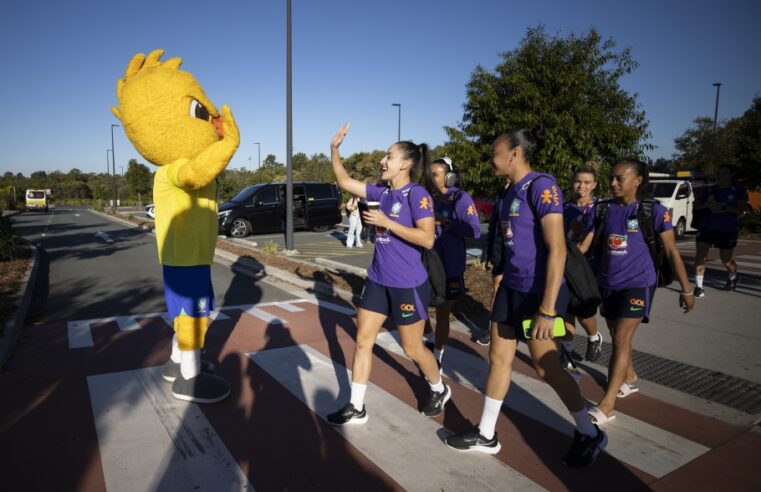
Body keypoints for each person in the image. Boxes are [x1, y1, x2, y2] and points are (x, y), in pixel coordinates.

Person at [445, 126, 608, 468]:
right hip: (512, 289)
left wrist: (549, 311)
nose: (491, 159)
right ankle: (486, 433)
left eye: (495, 153)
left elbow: (558, 250)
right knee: (499, 358)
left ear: (515, 154)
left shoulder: (542, 187)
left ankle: (589, 432)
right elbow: (510, 239)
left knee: (546, 366)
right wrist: (501, 271)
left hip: (541, 295)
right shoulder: (508, 192)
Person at [326, 122, 451, 425]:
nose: (383, 161)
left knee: (412, 348)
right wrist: (334, 149)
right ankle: (357, 406)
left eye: (389, 156)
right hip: (378, 282)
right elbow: (343, 181)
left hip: (408, 285)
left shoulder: (417, 194)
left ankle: (438, 387)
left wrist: (388, 222)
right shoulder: (380, 192)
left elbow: (428, 239)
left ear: (405, 164)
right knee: (362, 341)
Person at [586, 159, 695, 425]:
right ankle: (630, 377)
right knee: (614, 333)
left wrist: (687, 289)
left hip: (639, 283)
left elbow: (670, 251)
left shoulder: (653, 212)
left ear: (638, 181)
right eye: (612, 178)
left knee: (622, 338)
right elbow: (586, 244)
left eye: (619, 178)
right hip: (608, 283)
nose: (613, 183)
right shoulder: (601, 210)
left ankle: (608, 404)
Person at [423, 157, 481, 366]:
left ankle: (438, 354)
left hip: (451, 267)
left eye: (435, 174)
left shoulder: (461, 198)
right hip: (428, 263)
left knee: (442, 312)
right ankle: (429, 337)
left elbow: (474, 230)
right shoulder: (427, 197)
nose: (431, 178)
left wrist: (445, 222)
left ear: (449, 177)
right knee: (417, 303)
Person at [560, 165, 604, 370]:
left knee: (584, 313)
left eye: (587, 182)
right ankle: (566, 350)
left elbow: (586, 244)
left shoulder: (597, 209)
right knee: (566, 310)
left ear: (594, 185)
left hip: (583, 267)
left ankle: (594, 337)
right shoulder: (565, 207)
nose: (582, 186)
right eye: (578, 181)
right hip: (563, 264)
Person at [693, 165, 749, 297]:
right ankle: (699, 287)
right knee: (701, 256)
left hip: (726, 228)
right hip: (706, 226)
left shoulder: (738, 190)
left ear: (731, 174)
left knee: (726, 260)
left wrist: (724, 207)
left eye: (723, 173)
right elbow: (697, 206)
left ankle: (733, 276)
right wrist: (707, 205)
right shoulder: (709, 189)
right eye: (718, 173)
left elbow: (741, 209)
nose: (720, 176)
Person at [476, 177, 511, 346]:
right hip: (500, 252)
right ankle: (492, 330)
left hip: (522, 256)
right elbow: (492, 228)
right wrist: (486, 254)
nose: (507, 180)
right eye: (505, 178)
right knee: (496, 289)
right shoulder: (501, 196)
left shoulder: (526, 193)